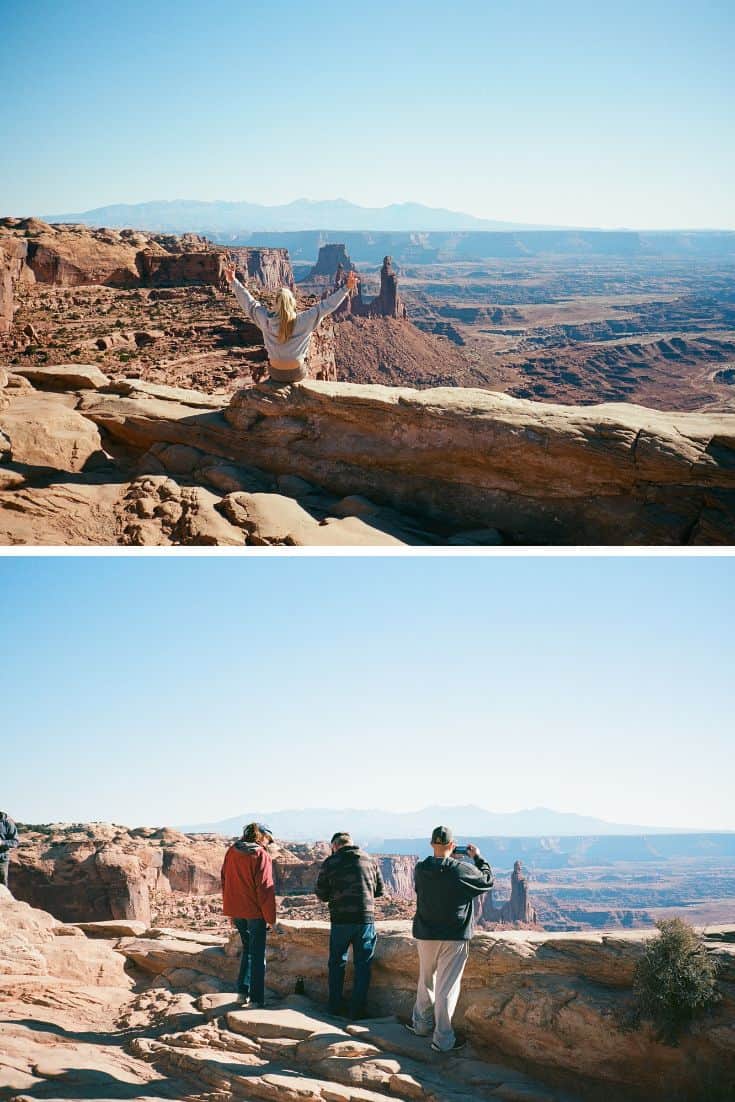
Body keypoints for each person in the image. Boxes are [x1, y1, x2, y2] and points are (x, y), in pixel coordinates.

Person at [409, 825, 493, 1052]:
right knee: (447, 989)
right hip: (454, 937)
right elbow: (486, 881)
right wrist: (477, 857)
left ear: (431, 844)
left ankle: (420, 1027)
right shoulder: (460, 870)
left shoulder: (420, 868)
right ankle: (443, 1041)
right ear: (453, 845)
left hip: (426, 935)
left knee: (426, 979)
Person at [224, 262, 358, 384]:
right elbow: (327, 305)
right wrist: (346, 288)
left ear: (276, 303)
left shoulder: (265, 319)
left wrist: (233, 281)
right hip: (297, 373)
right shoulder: (304, 320)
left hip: (275, 373)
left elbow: (249, 303)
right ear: (293, 302)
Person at [316, 831, 385, 1019]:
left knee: (337, 963)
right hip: (365, 920)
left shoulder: (331, 862)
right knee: (363, 965)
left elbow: (321, 893)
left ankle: (334, 1007)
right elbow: (380, 891)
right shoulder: (370, 860)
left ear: (335, 846)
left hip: (340, 920)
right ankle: (357, 1010)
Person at [221, 822, 276, 1006]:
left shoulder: (232, 851)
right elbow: (265, 888)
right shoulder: (260, 854)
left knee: (248, 951)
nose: (268, 844)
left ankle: (241, 993)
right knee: (257, 954)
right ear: (261, 837)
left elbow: (225, 880)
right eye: (268, 839)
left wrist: (229, 911)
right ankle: (256, 1000)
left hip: (237, 911)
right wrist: (270, 918)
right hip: (254, 912)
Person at [0, 811, 19, 888]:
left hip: (1, 860)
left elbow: (15, 842)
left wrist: (2, 843)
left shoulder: (7, 822)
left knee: (2, 886)